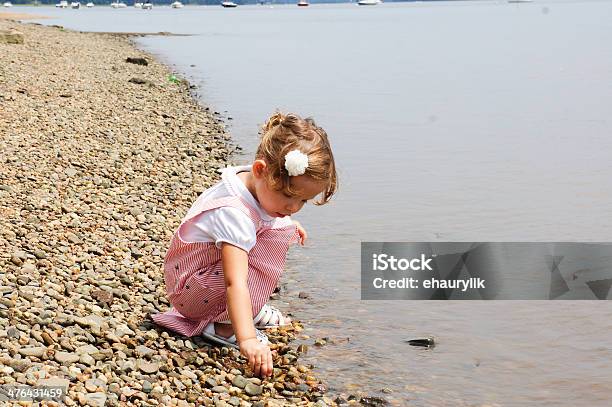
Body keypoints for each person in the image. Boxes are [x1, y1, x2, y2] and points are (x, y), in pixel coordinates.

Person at [152, 112, 337, 377]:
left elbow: (262, 219)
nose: (294, 207)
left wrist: (286, 223)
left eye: (302, 201)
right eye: (288, 196)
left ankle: (247, 308)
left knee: (280, 228)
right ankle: (223, 325)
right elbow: (234, 282)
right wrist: (247, 338)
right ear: (261, 170)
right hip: (191, 293)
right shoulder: (233, 213)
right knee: (252, 262)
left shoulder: (248, 182)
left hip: (198, 277)